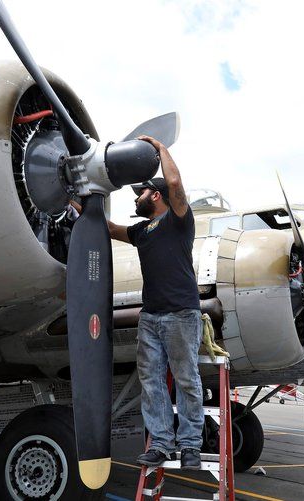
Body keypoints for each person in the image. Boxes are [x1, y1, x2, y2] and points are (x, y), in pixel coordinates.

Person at [107, 135, 203, 470]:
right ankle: (161, 443)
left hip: (181, 313)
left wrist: (161, 148)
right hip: (151, 316)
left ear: (156, 195)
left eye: (142, 193)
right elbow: (109, 228)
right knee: (151, 381)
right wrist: (77, 200)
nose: (137, 199)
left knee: (186, 378)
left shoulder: (178, 219)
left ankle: (191, 444)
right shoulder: (141, 230)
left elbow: (174, 181)